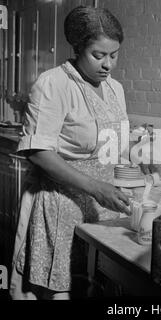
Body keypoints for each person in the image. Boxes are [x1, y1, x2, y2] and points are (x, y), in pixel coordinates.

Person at [9, 5, 131, 300]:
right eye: (98, 55)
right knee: (58, 291)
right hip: (59, 205)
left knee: (96, 286)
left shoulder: (115, 88)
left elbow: (112, 144)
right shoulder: (54, 84)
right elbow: (38, 151)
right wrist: (95, 187)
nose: (108, 65)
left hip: (101, 207)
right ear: (78, 48)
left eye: (113, 55)